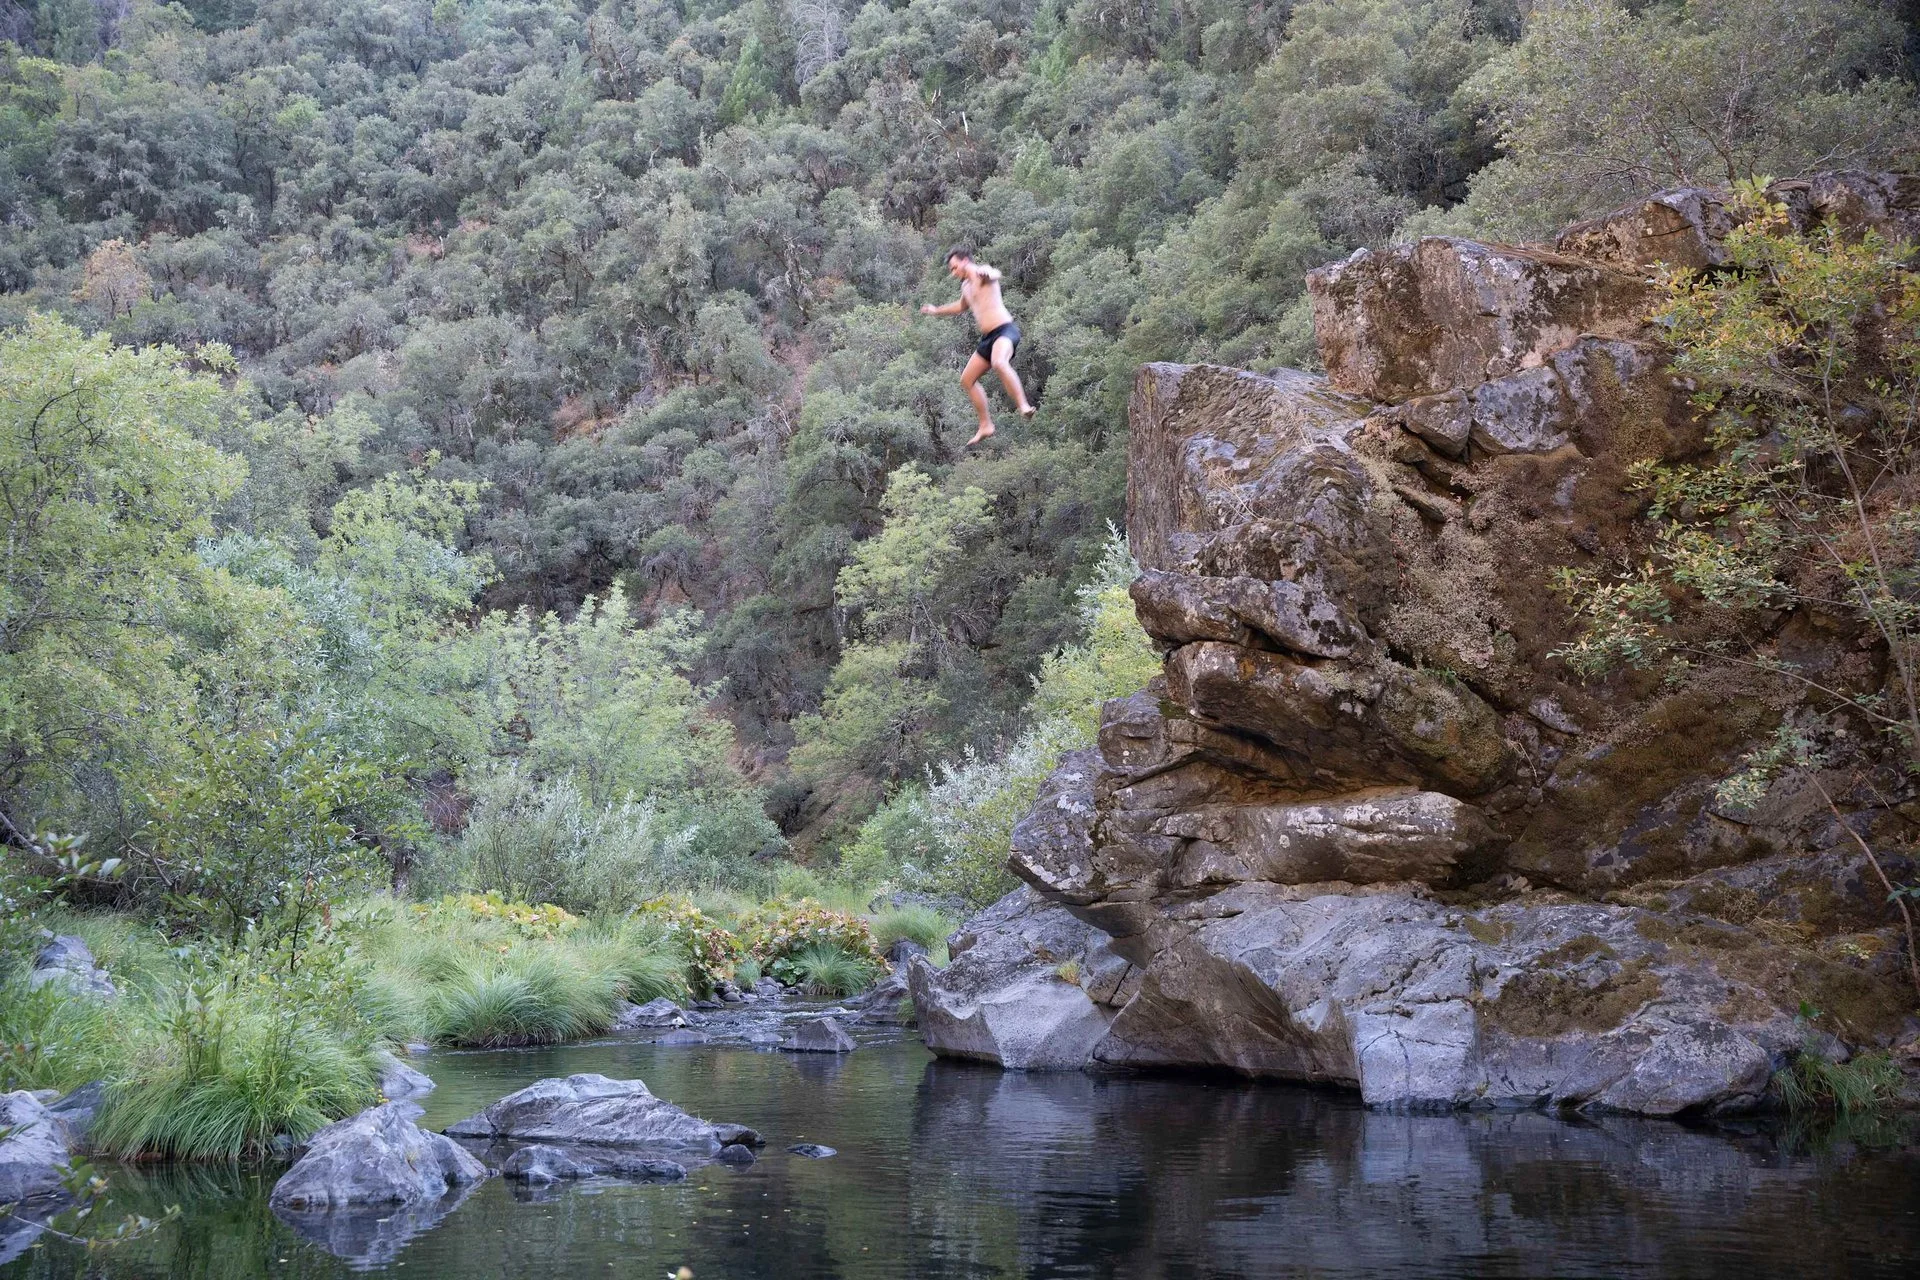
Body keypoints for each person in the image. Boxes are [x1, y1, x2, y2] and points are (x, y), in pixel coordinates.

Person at [919, 247, 1035, 446]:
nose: (954, 273)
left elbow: (994, 273)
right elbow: (961, 306)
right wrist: (936, 310)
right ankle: (985, 425)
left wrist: (988, 273)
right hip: (987, 338)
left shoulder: (983, 273)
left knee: (999, 362)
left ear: (965, 261)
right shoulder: (965, 286)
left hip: (1005, 331)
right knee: (967, 380)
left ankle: (1023, 405)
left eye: (955, 267)